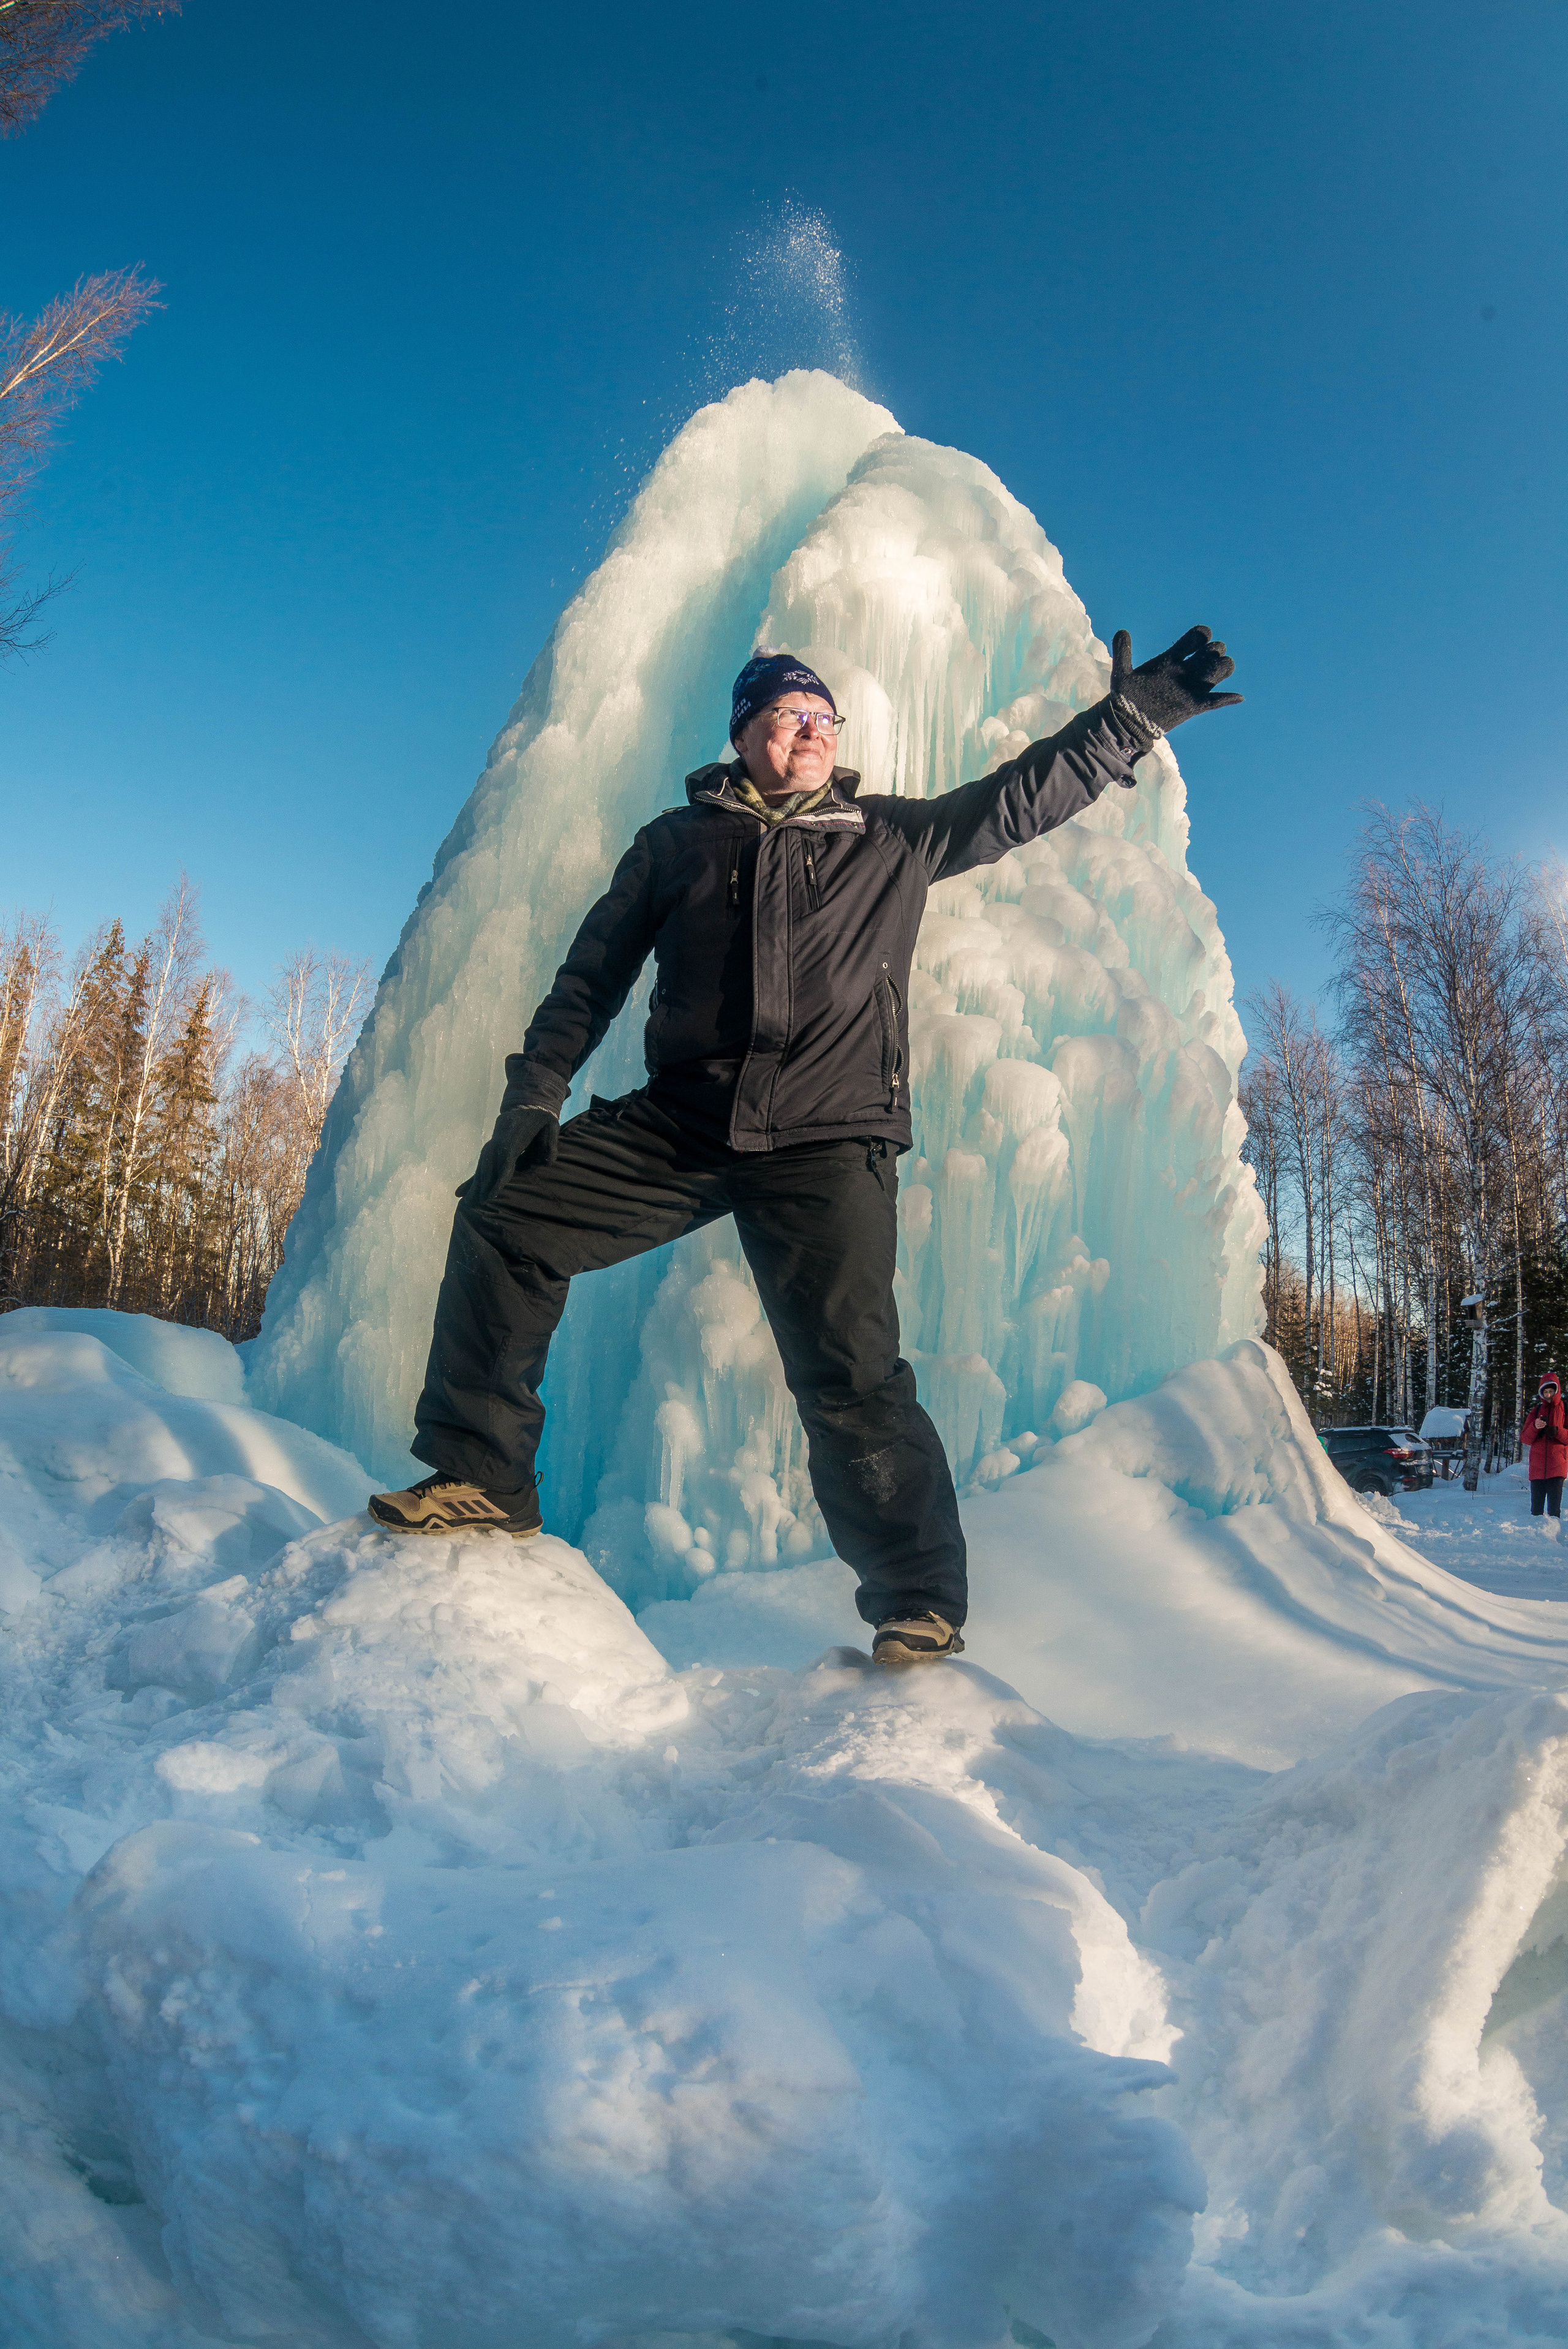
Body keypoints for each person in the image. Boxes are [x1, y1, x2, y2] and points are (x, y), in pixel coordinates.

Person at [369, 626, 1243, 1664]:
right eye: (789, 717)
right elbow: (587, 981)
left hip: (830, 1135)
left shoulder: (890, 838)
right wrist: (533, 1098)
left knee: (852, 1376)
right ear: (744, 734)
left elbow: (1020, 798)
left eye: (824, 718)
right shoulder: (673, 846)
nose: (812, 733)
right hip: (686, 1119)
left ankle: (917, 1599)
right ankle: (484, 1475)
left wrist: (1130, 721)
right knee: (506, 1214)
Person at [1521, 1373, 1567, 1525]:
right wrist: (1535, 1427)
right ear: (1541, 1393)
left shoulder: (1565, 1409)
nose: (1548, 1395)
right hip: (1537, 1468)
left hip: (1557, 1466)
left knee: (1554, 1511)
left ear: (1557, 1390)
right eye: (1545, 1392)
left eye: (1551, 1391)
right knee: (1536, 1511)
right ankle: (1535, 1541)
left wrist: (1558, 1432)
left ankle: (1554, 1538)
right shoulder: (1535, 1412)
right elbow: (1525, 1439)